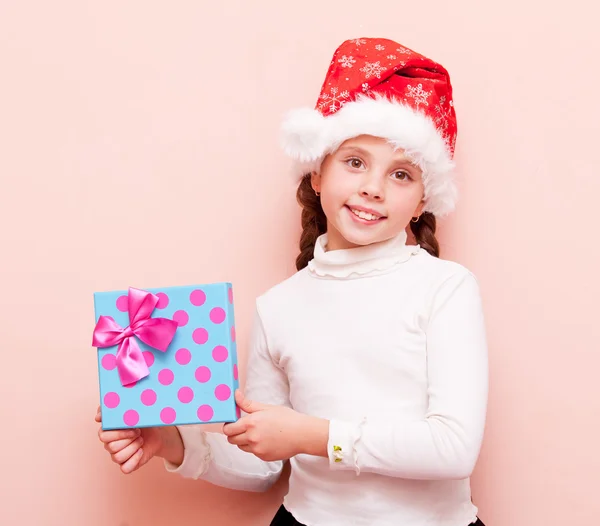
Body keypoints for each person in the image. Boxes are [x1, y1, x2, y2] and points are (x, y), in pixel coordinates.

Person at [96, 37, 489, 526]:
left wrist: (312, 435)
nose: (373, 186)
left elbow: (452, 449)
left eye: (402, 174)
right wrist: (173, 443)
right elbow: (264, 465)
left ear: (423, 199)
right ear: (317, 172)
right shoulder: (279, 306)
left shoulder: (446, 288)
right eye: (355, 161)